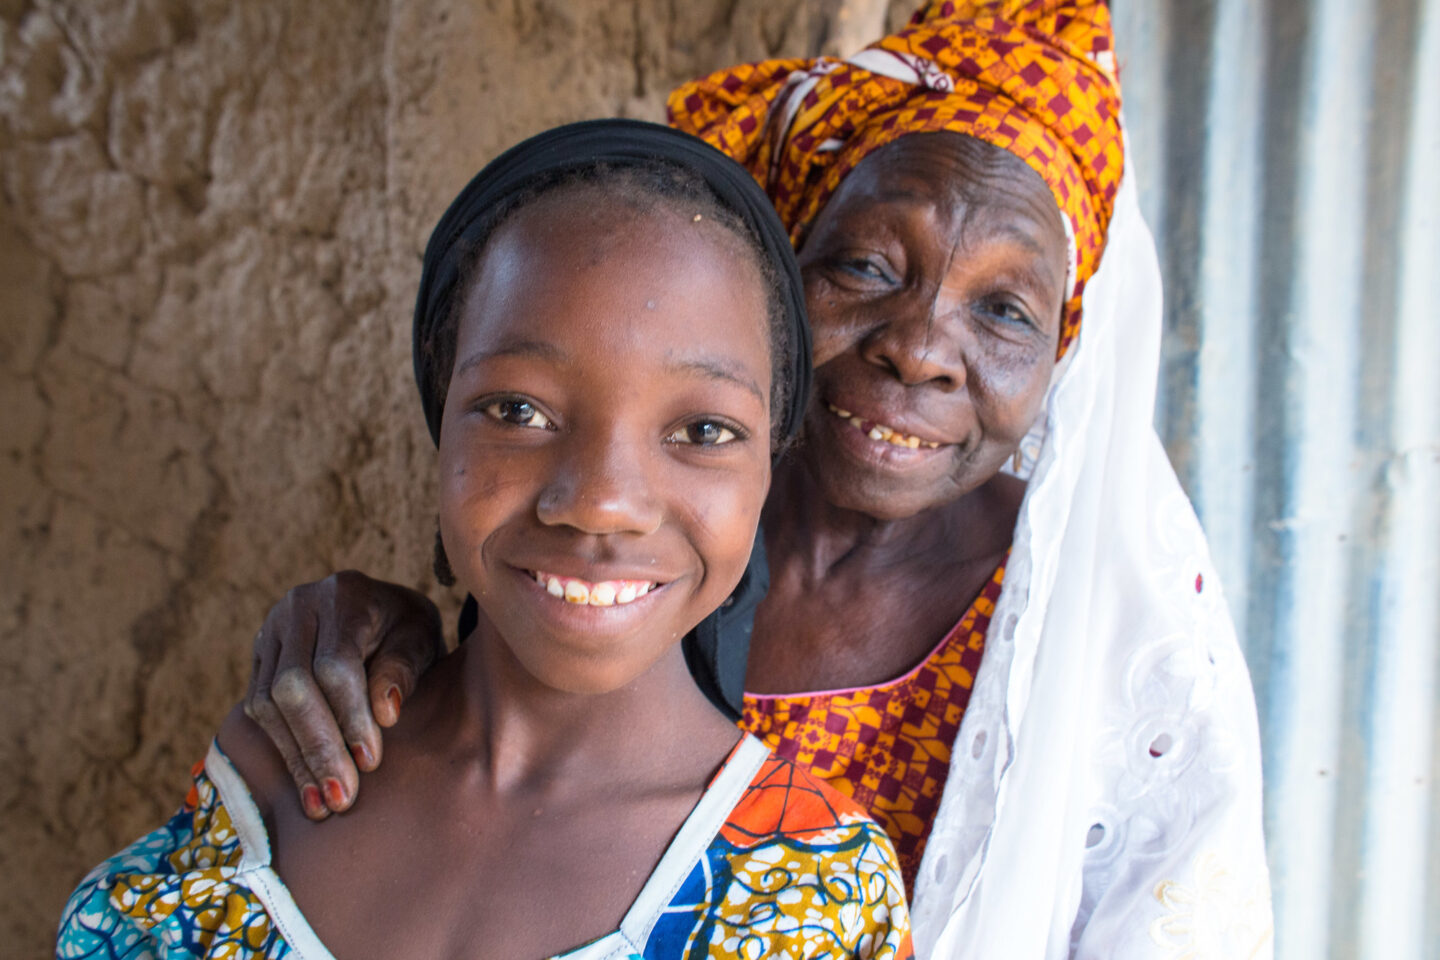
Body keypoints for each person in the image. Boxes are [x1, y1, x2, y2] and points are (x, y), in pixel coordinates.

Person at [237, 2, 1274, 956]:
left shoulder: (1110, 644)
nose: (918, 349)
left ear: (1066, 351)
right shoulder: (641, 537)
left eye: (1004, 311)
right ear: (768, 299)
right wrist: (390, 639)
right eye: (865, 267)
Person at [57, 120, 915, 960]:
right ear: (444, 432)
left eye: (701, 429)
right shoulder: (263, 784)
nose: (602, 504)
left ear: (770, 465)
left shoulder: (812, 894)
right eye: (519, 412)